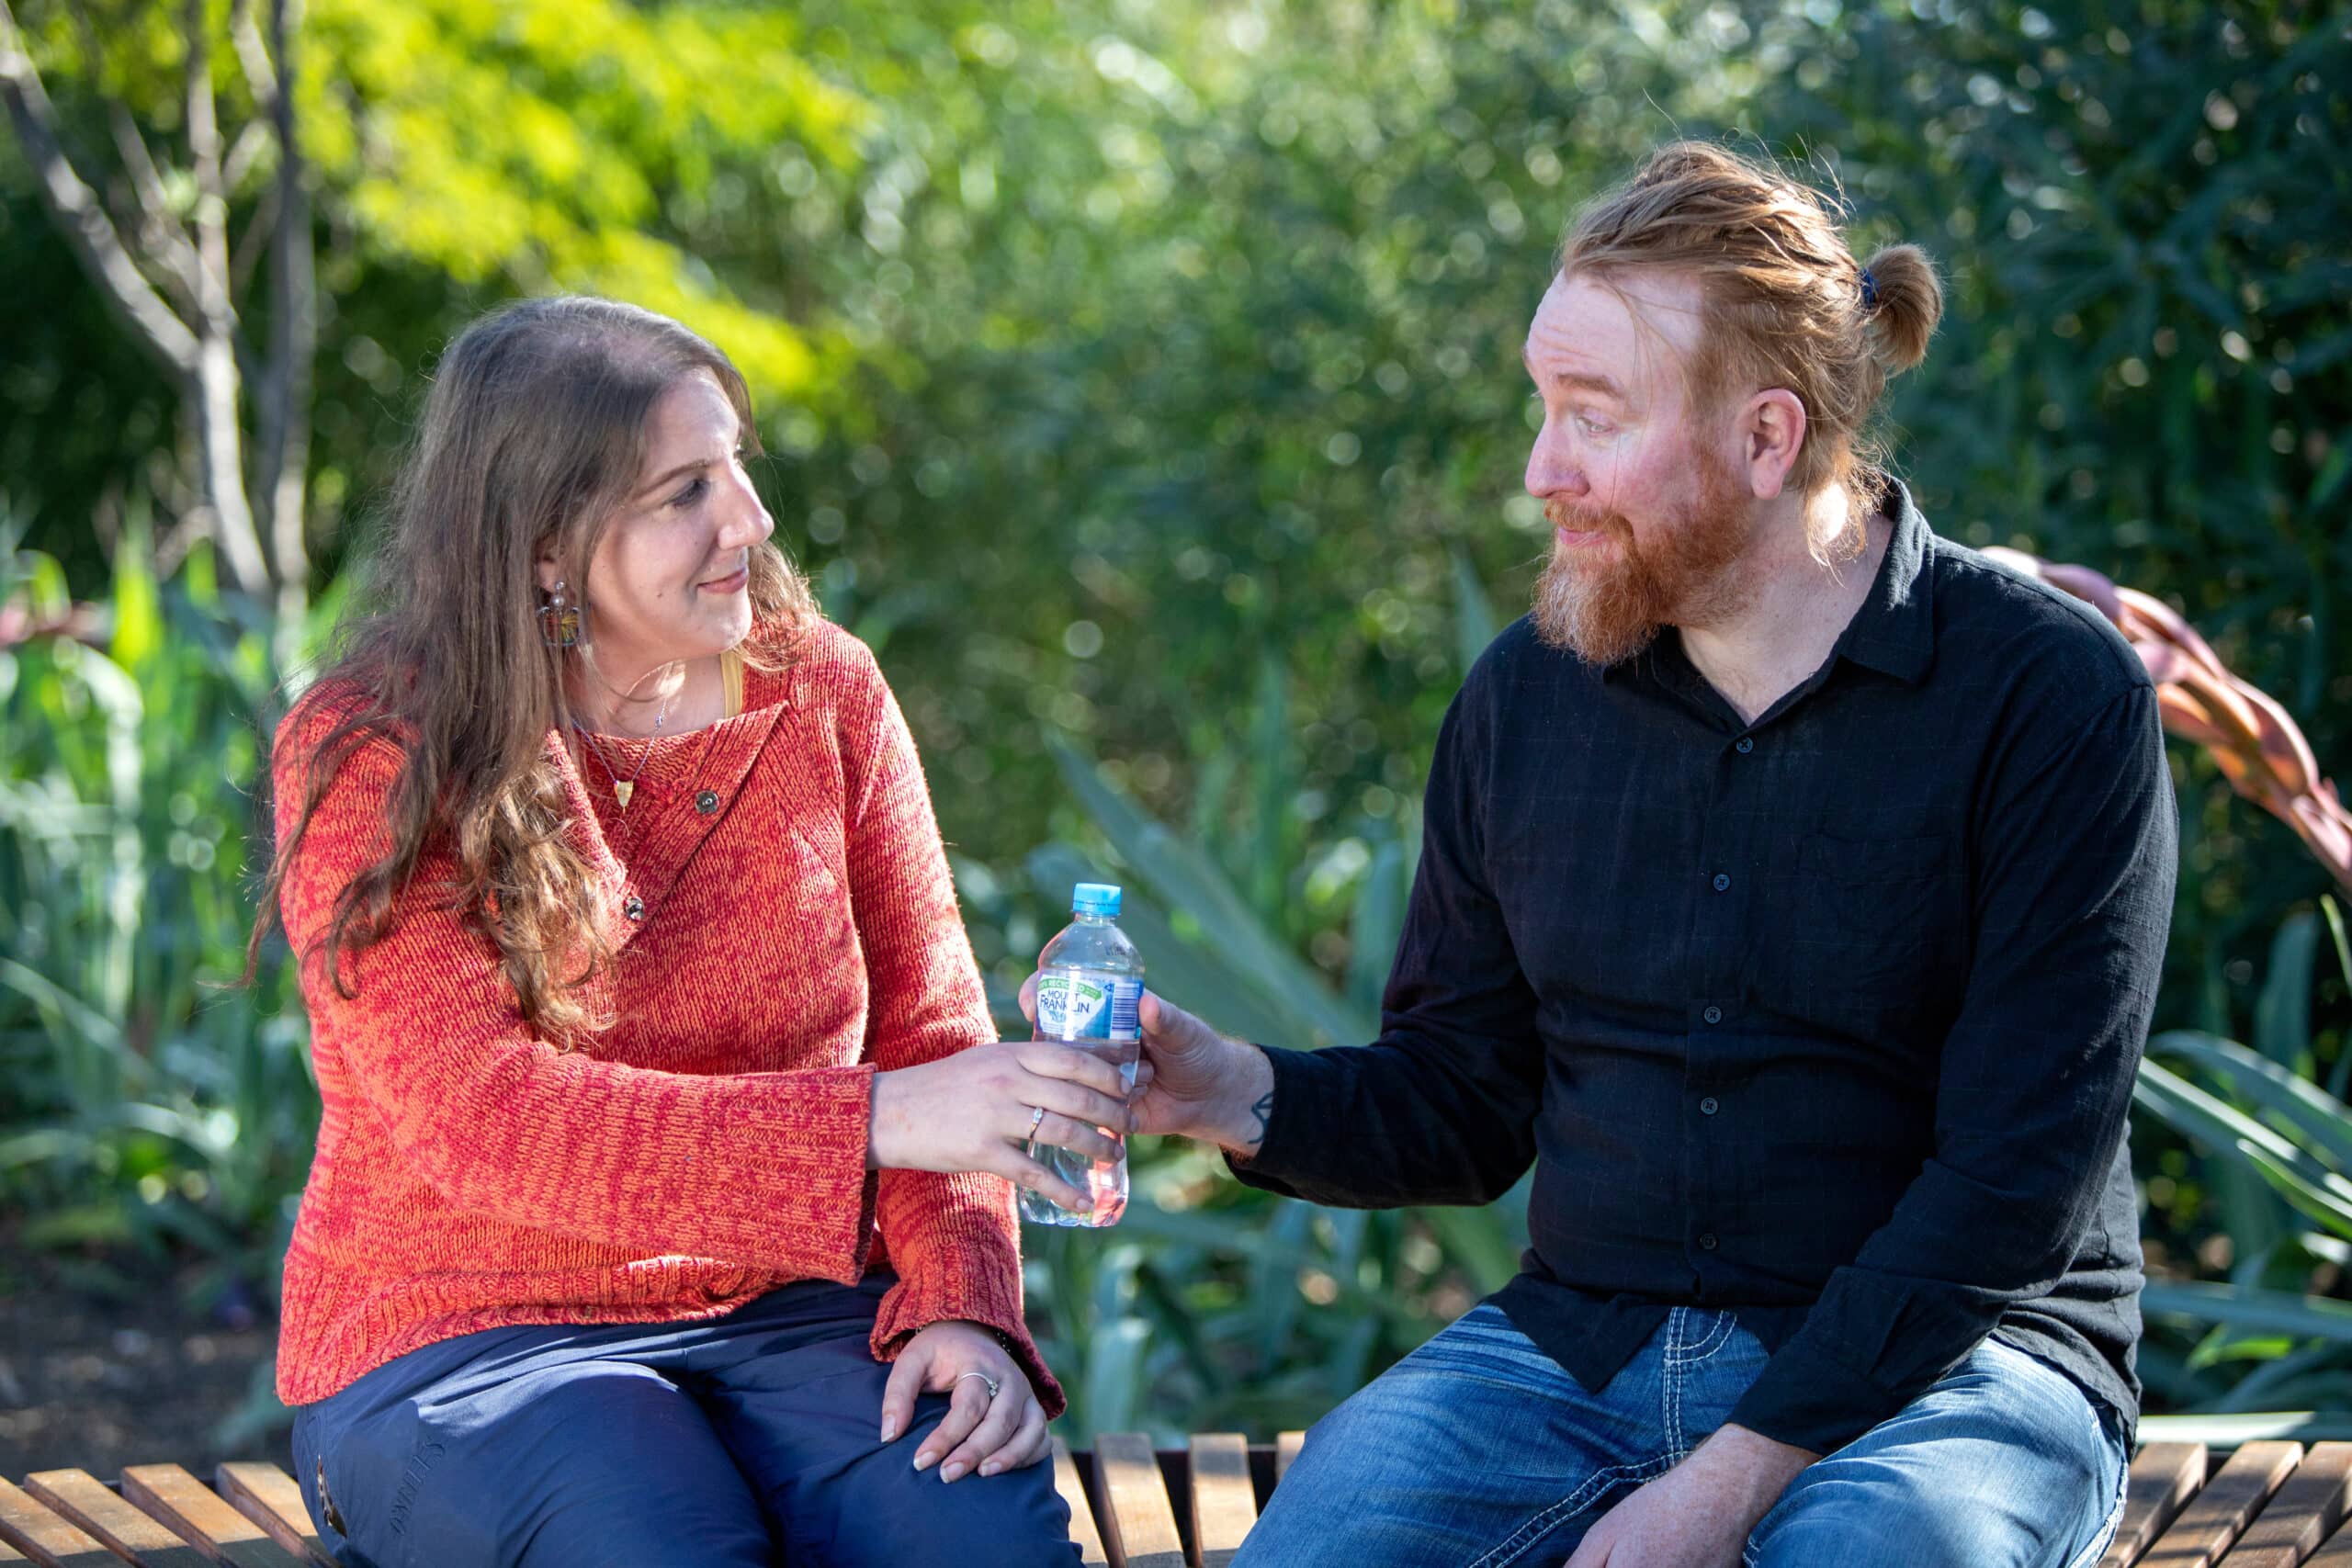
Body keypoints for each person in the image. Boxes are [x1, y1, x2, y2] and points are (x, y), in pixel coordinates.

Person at [1085, 142, 2174, 1566]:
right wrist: (1232, 1093)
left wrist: (1717, 1494)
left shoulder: (2046, 696)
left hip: (1955, 1372)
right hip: (1578, 1360)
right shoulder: (1526, 698)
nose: (1543, 471)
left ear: (1767, 439)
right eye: (1544, 410)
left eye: (1592, 419)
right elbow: (1469, 1099)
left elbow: (2013, 1183)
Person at [251, 296, 1129, 1567]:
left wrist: (962, 1308)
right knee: (663, 1542)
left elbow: (939, 1030)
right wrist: (881, 1118)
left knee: (980, 1542)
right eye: (684, 492)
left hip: (798, 1316)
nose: (750, 522)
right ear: (544, 545)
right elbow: (479, 1116)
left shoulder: (824, 689)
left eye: (737, 469)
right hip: (462, 1331)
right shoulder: (379, 748)